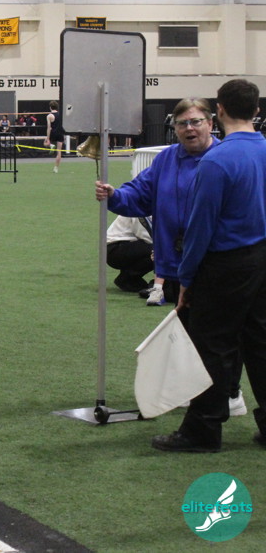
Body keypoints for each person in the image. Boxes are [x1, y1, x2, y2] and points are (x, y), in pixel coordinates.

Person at [152, 79, 266, 453]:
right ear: (256, 110)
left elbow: (201, 227)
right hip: (261, 259)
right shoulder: (264, 150)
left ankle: (202, 430)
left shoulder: (217, 161)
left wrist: (186, 279)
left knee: (212, 348)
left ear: (219, 110)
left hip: (225, 265)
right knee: (260, 345)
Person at [95, 98, 219, 307]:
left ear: (210, 123)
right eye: (182, 123)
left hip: (215, 263)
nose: (189, 128)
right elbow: (140, 192)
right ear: (175, 128)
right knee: (185, 320)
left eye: (195, 122)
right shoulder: (165, 159)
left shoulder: (225, 157)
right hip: (174, 264)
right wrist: (115, 195)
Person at [105, 215, 153, 293]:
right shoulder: (140, 210)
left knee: (160, 250)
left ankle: (128, 278)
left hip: (126, 245)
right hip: (115, 249)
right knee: (158, 252)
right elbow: (146, 236)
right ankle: (127, 279)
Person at [44, 100, 64, 173]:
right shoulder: (61, 114)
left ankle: (51, 145)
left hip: (53, 133)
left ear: (50, 107)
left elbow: (49, 127)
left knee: (45, 143)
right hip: (60, 133)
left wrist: (47, 138)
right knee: (59, 151)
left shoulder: (49, 116)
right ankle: (56, 168)